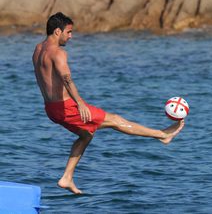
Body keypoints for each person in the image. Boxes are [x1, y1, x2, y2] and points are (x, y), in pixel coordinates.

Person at [32, 12, 185, 194]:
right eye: (69, 32)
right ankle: (161, 135)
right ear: (57, 31)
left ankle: (67, 178)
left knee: (86, 135)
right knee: (114, 120)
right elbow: (66, 79)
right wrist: (80, 103)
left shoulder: (38, 49)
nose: (71, 36)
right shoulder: (58, 53)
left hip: (51, 109)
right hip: (66, 107)